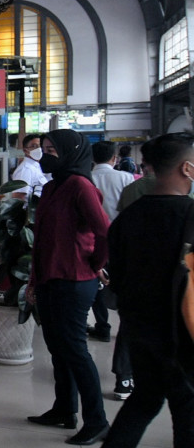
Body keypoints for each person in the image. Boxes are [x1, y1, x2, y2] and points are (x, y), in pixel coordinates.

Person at [80, 132, 194, 448]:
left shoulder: (129, 218)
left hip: (139, 329)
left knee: (147, 398)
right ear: (186, 168)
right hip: (182, 333)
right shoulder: (190, 215)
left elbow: (118, 276)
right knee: (187, 408)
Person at [26, 129, 111, 446]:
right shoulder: (51, 188)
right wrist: (34, 280)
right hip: (50, 278)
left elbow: (105, 231)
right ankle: (64, 409)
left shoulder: (80, 186)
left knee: (75, 350)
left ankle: (97, 420)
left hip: (75, 281)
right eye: (44, 149)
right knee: (57, 348)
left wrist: (94, 264)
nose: (46, 155)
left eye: (52, 150)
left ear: (71, 153)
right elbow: (42, 241)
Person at [88, 142, 135, 356]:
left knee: (96, 282)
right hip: (120, 241)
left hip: (93, 241)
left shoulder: (86, 179)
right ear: (113, 158)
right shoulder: (125, 178)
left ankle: (102, 326)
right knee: (121, 282)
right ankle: (124, 326)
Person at [11, 134, 48, 199]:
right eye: (34, 146)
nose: (39, 149)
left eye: (40, 146)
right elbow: (18, 196)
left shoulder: (35, 167)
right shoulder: (25, 169)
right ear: (25, 150)